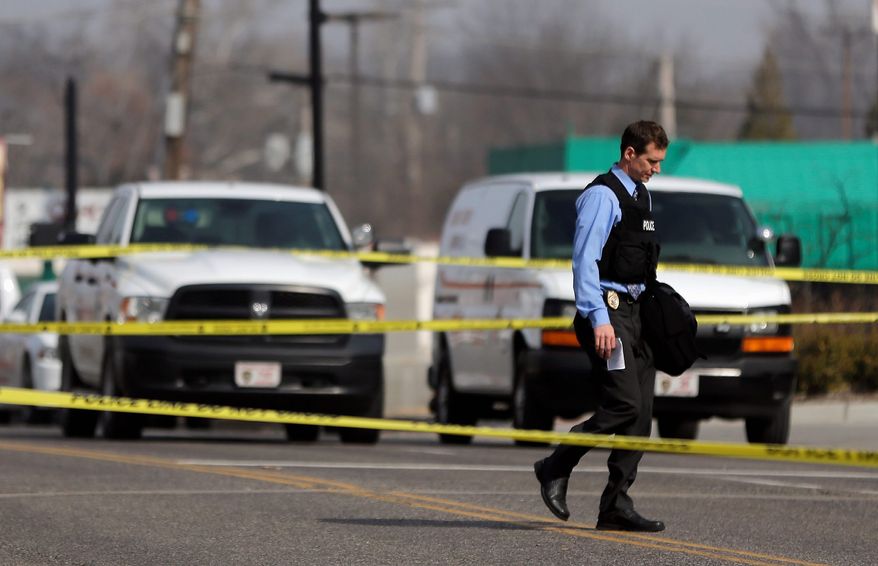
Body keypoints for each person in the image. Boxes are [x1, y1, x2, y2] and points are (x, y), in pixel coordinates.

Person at [533, 120, 668, 532]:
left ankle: (615, 505)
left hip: (636, 314)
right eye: (651, 161)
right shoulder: (601, 196)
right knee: (624, 403)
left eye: (659, 162)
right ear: (629, 153)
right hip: (609, 315)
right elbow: (584, 260)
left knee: (642, 413)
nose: (656, 169)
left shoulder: (640, 196)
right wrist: (599, 318)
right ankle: (556, 465)